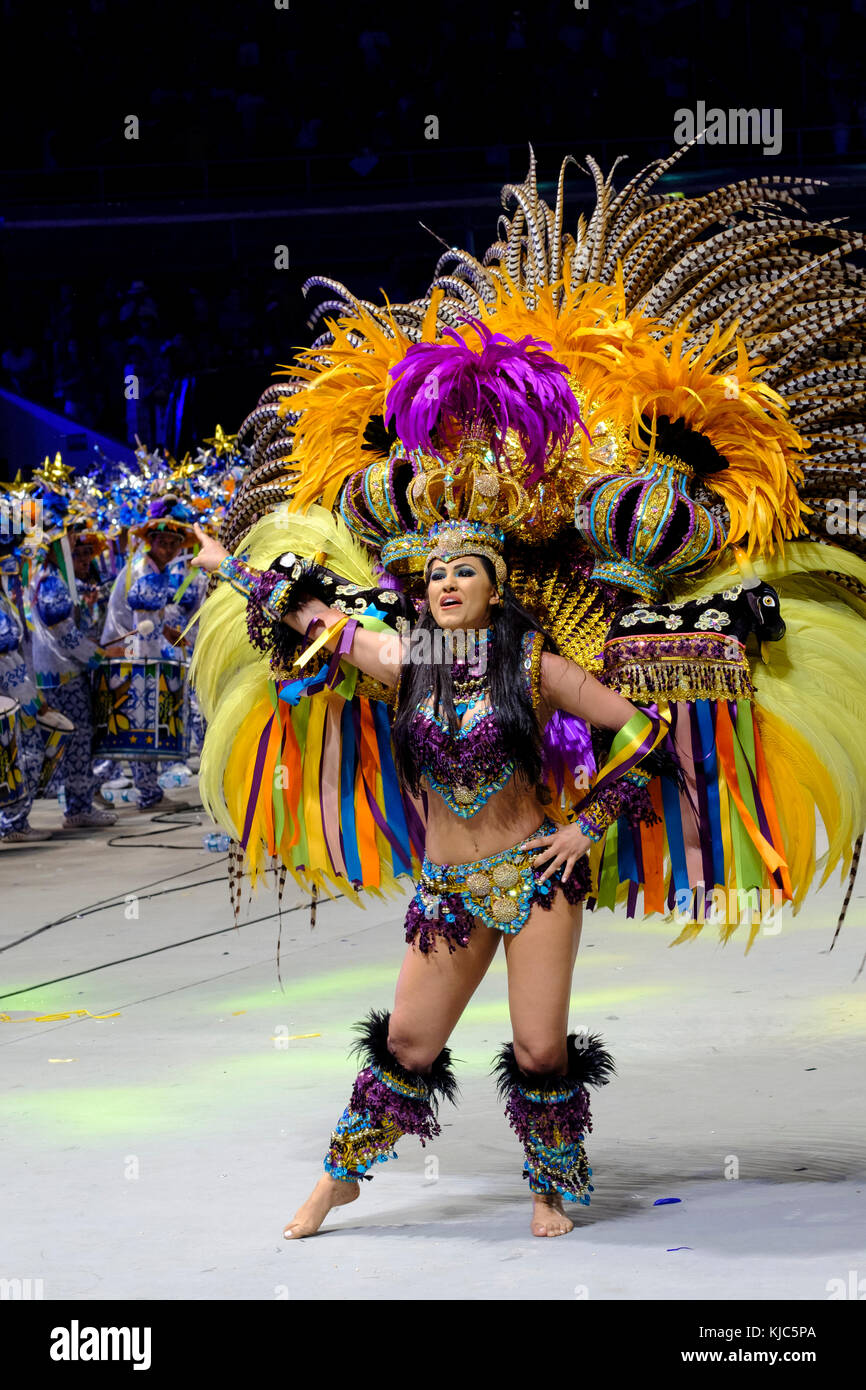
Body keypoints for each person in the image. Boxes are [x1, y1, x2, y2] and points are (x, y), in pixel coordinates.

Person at [191, 517, 668, 1240]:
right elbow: (310, 613)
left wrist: (588, 826)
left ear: (495, 588)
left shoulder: (535, 664)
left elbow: (644, 733)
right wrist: (228, 566)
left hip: (536, 877)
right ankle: (338, 1180)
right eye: (437, 574)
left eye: (465, 571)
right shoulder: (407, 658)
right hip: (448, 893)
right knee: (410, 1043)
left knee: (541, 1049)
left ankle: (549, 1190)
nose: (447, 583)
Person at [100, 497, 193, 807]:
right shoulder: (148, 573)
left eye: (173, 542)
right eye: (162, 541)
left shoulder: (151, 568)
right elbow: (145, 631)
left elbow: (153, 620)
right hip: (134, 655)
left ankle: (135, 789)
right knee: (141, 722)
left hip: (133, 652)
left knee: (137, 723)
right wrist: (158, 665)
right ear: (151, 541)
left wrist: (171, 635)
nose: (167, 547)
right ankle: (148, 794)